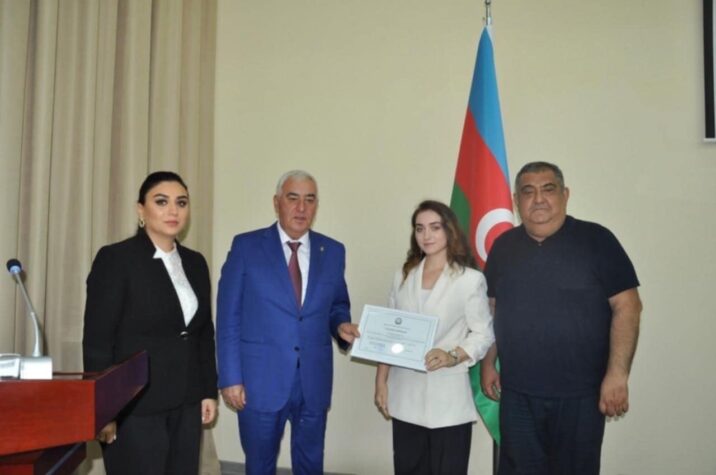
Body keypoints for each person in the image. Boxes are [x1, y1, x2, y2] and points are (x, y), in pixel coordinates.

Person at [480, 161, 642, 475]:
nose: (538, 199)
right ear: (516, 201)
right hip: (518, 393)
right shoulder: (503, 246)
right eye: (528, 192)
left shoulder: (597, 241)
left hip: (581, 395)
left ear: (565, 195)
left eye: (548, 189)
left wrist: (617, 375)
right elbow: (493, 308)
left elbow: (629, 307)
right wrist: (489, 362)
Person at [216, 169, 360, 475]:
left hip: (313, 380)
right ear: (276, 202)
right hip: (259, 381)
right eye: (293, 198)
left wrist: (340, 326)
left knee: (311, 465)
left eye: (310, 200)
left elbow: (337, 304)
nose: (301, 208)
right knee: (260, 466)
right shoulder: (246, 247)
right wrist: (230, 377)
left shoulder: (333, 251)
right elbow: (228, 317)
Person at [82, 171, 218, 475]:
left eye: (181, 202)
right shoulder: (116, 259)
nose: (173, 211)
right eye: (161, 201)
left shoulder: (195, 262)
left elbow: (202, 333)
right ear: (141, 210)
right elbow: (97, 341)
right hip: (134, 406)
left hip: (186, 403)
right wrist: (103, 409)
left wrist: (207, 390)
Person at [374, 200, 495, 475]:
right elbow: (389, 331)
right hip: (405, 394)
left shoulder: (469, 280)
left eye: (434, 227)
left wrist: (453, 356)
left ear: (449, 231)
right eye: (419, 228)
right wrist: (381, 380)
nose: (426, 235)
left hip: (447, 399)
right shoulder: (402, 276)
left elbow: (484, 333)